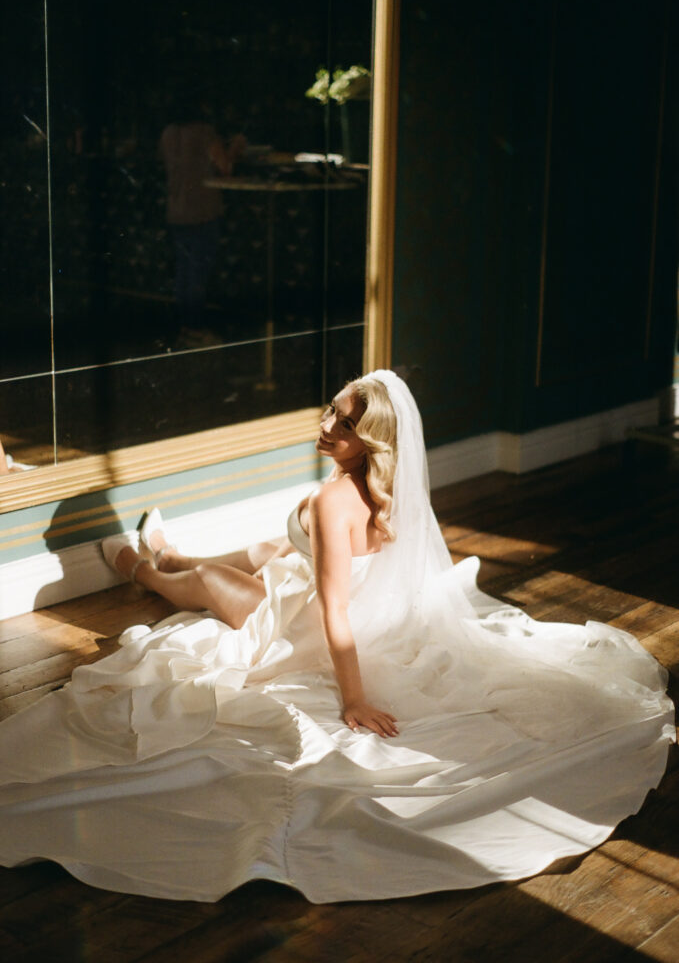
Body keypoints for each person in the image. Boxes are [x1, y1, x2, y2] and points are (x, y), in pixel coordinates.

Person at [0, 370, 674, 904]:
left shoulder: (331, 502)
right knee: (266, 550)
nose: (326, 428)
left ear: (371, 440)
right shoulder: (394, 488)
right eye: (330, 411)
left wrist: (352, 696)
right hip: (346, 593)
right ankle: (172, 553)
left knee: (211, 588)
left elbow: (331, 614)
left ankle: (142, 565)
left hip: (312, 623)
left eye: (344, 425)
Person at [159, 98, 247, 346]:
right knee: (198, 272)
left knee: (183, 272)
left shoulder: (168, 133)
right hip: (202, 210)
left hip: (175, 210)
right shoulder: (204, 132)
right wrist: (236, 148)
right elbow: (224, 166)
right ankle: (196, 328)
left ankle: (185, 327)